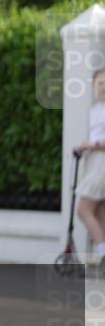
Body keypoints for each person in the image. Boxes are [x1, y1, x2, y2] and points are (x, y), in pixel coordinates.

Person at [74, 68, 105, 265]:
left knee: (83, 210)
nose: (103, 87)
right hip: (94, 162)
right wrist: (84, 148)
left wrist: (91, 145)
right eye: (100, 83)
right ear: (93, 86)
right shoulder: (96, 110)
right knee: (100, 211)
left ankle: (103, 253)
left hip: (101, 165)